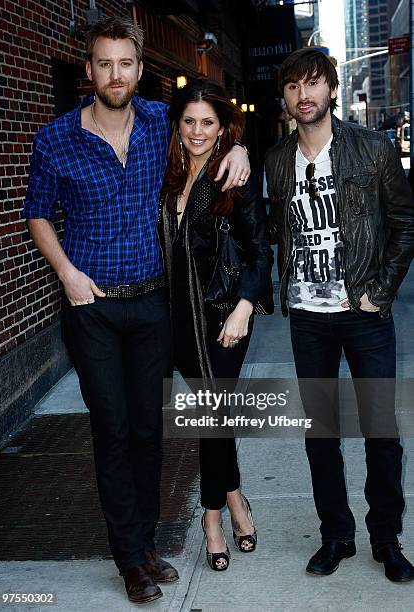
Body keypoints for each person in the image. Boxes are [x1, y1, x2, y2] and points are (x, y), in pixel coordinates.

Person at [22, 16, 250, 605]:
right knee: (113, 428)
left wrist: (242, 147)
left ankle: (146, 545)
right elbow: (38, 213)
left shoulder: (157, 123)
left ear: (139, 70)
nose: (115, 74)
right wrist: (67, 274)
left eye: (126, 63)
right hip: (91, 308)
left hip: (153, 306)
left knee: (150, 430)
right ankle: (128, 557)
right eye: (104, 63)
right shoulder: (56, 139)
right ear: (90, 70)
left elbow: (211, 131)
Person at [265, 48, 414, 582]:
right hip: (308, 316)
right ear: (283, 97)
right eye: (292, 86)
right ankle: (337, 536)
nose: (303, 95)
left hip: (364, 313)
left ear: (330, 88)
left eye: (313, 84)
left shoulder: (372, 150)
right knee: (321, 431)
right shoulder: (278, 160)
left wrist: (382, 290)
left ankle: (386, 539)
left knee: (379, 428)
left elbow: (405, 222)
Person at [159, 80, 273, 571]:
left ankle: (210, 521)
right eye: (189, 121)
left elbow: (259, 252)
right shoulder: (166, 175)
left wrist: (245, 307)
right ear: (177, 125)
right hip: (176, 322)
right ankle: (234, 499)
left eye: (209, 122)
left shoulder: (234, 176)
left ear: (223, 127)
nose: (197, 131)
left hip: (224, 318)